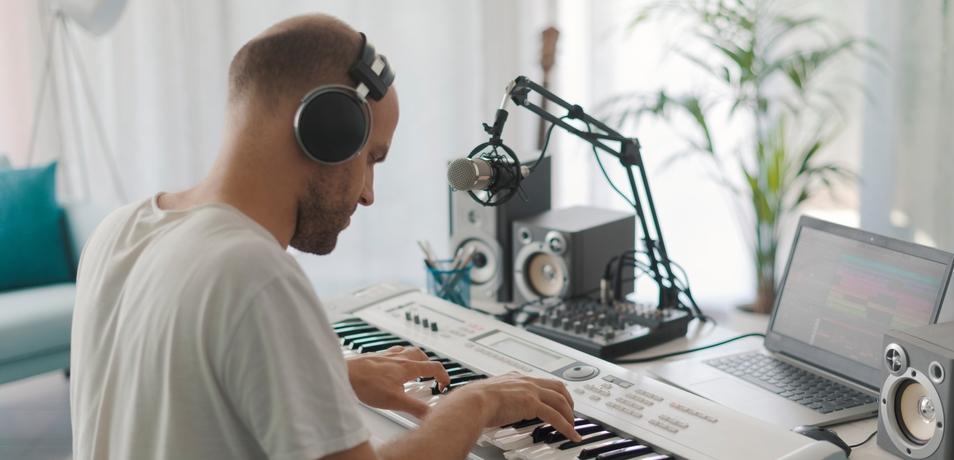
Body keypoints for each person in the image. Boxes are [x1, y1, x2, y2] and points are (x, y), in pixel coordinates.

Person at [70, 13, 581, 460]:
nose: (368, 194)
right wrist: (478, 402)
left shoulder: (120, 229)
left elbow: (171, 388)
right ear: (326, 127)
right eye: (371, 158)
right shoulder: (253, 274)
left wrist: (327, 373)